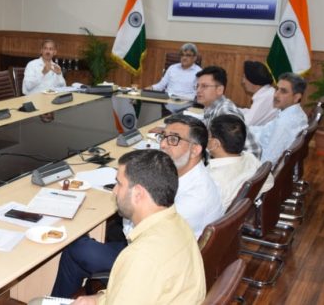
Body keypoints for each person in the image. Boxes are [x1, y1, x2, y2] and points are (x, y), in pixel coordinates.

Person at [51, 114, 221, 298]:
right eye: (163, 136)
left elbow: (136, 239)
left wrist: (99, 298)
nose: (163, 144)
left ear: (195, 149)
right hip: (172, 260)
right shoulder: (186, 181)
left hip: (155, 258)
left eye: (173, 139)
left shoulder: (195, 199)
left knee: (77, 247)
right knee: (101, 231)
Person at [67, 149, 206, 304]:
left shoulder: (141, 256)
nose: (114, 191)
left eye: (119, 184)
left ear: (138, 193)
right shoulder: (179, 224)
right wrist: (97, 299)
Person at [208, 114, 274, 213]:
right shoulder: (250, 157)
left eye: (208, 135)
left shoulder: (213, 179)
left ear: (215, 143)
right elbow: (269, 183)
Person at [195, 66, 262, 159]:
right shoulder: (213, 107)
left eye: (204, 86)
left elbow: (254, 151)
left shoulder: (225, 113)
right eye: (197, 86)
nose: (198, 90)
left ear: (220, 90)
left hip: (235, 168)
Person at [250, 72, 309, 166]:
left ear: (296, 97)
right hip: (258, 146)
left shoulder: (285, 123)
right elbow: (265, 130)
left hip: (259, 163)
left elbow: (267, 161)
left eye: (283, 91)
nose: (276, 95)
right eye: (277, 89)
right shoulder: (296, 113)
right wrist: (244, 129)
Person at [148, 43, 202, 112]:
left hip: (186, 105)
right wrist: (148, 89)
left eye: (188, 55)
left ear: (194, 58)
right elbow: (160, 85)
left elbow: (198, 93)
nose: (184, 58)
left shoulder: (199, 72)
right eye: (182, 55)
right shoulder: (172, 68)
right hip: (167, 103)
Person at [239, 61, 278, 126]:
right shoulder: (267, 92)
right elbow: (251, 112)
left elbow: (246, 124)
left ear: (253, 79)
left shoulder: (265, 97)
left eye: (244, 77)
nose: (243, 81)